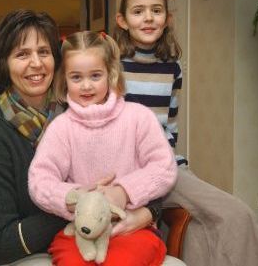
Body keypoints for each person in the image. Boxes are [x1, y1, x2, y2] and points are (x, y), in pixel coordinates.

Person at [114, 0, 258, 266]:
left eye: (156, 10)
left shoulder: (172, 66)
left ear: (167, 17)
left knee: (204, 230)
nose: (148, 18)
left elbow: (170, 127)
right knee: (238, 214)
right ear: (122, 20)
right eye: (138, 11)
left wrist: (177, 168)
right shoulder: (111, 66)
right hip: (130, 173)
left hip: (166, 168)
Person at [27, 30, 178, 266]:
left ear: (111, 74)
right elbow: (39, 180)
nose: (86, 85)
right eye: (76, 77)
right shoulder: (61, 128)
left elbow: (164, 168)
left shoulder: (138, 117)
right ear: (64, 80)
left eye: (95, 75)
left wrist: (123, 191)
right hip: (81, 232)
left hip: (131, 228)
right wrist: (75, 197)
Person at [0, 9, 67, 266]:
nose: (36, 63)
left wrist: (148, 210)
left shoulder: (77, 117)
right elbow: (0, 242)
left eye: (44, 52)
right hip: (17, 257)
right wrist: (76, 208)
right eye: (22, 54)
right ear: (4, 63)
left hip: (76, 243)